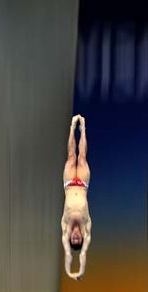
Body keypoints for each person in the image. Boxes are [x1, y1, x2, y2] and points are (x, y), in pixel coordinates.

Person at [61, 115, 92, 280]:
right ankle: (83, 128)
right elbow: (82, 255)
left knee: (71, 156)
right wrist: (80, 271)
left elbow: (68, 254)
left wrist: (69, 272)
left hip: (69, 184)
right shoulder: (86, 229)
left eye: (73, 238)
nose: (75, 236)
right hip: (82, 184)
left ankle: (73, 127)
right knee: (82, 157)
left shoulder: (65, 229)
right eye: (77, 238)